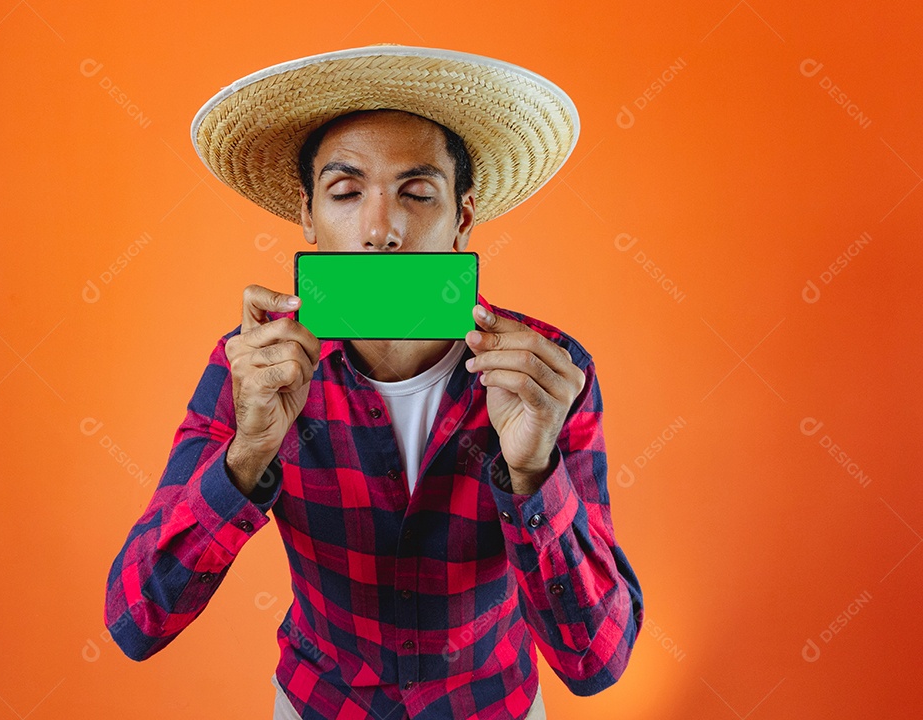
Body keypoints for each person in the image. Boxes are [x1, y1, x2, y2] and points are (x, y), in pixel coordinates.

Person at [103, 44, 644, 720]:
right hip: (321, 705)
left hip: (493, 704)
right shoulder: (252, 368)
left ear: (463, 219)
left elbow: (597, 660)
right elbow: (137, 618)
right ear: (308, 217)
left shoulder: (550, 373)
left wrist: (533, 471)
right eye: (346, 192)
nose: (381, 227)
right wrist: (247, 454)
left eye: (416, 193)